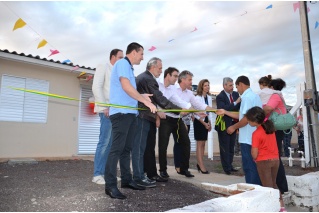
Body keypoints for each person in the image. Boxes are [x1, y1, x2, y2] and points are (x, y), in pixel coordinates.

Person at [104, 42, 157, 200]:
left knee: (126, 149)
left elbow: (129, 90)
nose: (142, 57)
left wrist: (143, 97)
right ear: (134, 52)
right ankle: (110, 186)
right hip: (121, 114)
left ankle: (127, 180)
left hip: (130, 114)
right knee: (117, 149)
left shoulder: (129, 68)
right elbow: (126, 87)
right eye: (141, 54)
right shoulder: (122, 63)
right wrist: (145, 102)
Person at [133, 58, 187, 187]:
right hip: (143, 117)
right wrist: (179, 111)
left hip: (148, 116)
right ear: (152, 67)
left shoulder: (146, 78)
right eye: (160, 68)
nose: (161, 71)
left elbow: (156, 101)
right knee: (141, 148)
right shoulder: (148, 79)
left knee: (148, 147)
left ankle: (150, 173)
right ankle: (139, 176)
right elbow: (159, 98)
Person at [158, 70, 221, 178]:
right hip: (166, 119)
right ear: (183, 80)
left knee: (186, 143)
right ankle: (163, 170)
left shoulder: (190, 93)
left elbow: (198, 104)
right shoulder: (173, 89)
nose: (191, 82)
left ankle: (184, 169)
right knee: (163, 145)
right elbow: (172, 103)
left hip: (178, 120)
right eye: (190, 80)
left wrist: (214, 110)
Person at [221, 76, 262, 185]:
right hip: (255, 137)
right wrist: (225, 112)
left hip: (248, 139)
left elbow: (246, 119)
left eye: (237, 86)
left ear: (241, 84)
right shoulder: (255, 96)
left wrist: (233, 127)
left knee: (249, 167)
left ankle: (252, 191)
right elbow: (241, 115)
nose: (236, 89)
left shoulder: (247, 98)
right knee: (255, 166)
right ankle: (258, 189)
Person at [91, 49, 123, 184]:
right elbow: (96, 87)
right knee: (104, 142)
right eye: (120, 57)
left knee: (111, 144)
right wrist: (104, 107)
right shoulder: (103, 66)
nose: (122, 60)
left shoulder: (119, 72)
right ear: (113, 57)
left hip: (116, 112)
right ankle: (97, 174)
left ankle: (107, 174)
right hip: (106, 111)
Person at [246, 106, 287, 212]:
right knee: (274, 184)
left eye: (248, 119)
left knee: (267, 187)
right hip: (275, 160)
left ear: (254, 121)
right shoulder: (270, 129)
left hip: (263, 162)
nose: (248, 121)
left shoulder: (256, 133)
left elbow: (254, 153)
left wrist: (253, 156)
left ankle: (272, 208)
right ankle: (281, 206)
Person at [263, 78, 289, 197]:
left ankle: (281, 186)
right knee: (276, 156)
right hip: (279, 129)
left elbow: (268, 108)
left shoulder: (275, 96)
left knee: (275, 157)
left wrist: (257, 114)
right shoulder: (280, 96)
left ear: (272, 87)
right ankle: (280, 186)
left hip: (276, 130)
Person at [215, 77, 241, 175]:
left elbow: (238, 108)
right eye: (230, 85)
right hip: (223, 126)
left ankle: (230, 165)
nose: (232, 87)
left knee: (231, 147)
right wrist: (235, 102)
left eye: (233, 85)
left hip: (234, 124)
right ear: (224, 85)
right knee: (225, 147)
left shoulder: (235, 94)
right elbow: (223, 108)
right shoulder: (220, 97)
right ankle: (226, 168)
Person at [193, 79, 213, 174]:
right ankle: (201, 165)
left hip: (206, 120)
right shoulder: (197, 97)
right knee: (199, 144)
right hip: (199, 121)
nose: (207, 87)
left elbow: (209, 111)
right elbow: (195, 114)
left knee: (203, 143)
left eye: (208, 85)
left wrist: (209, 123)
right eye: (205, 85)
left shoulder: (209, 97)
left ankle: (199, 163)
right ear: (201, 86)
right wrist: (204, 123)